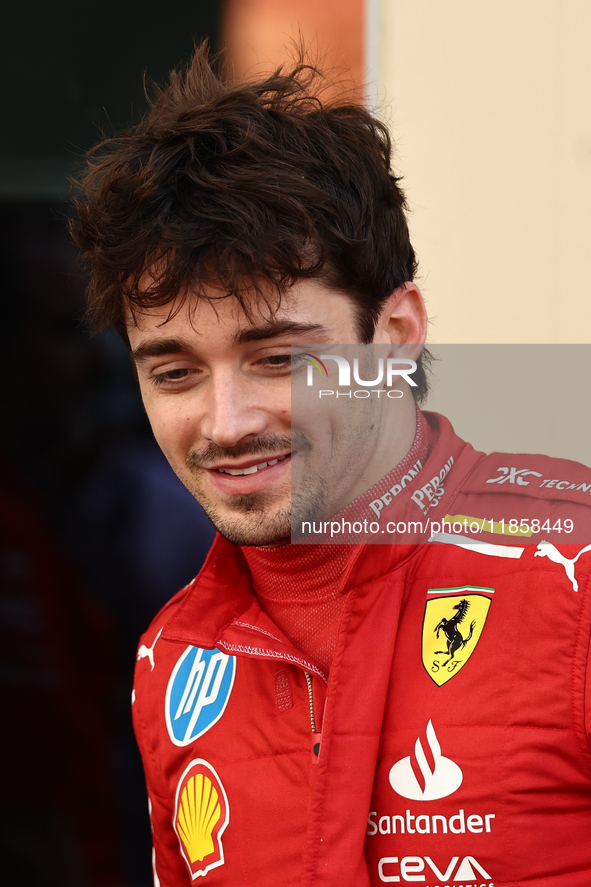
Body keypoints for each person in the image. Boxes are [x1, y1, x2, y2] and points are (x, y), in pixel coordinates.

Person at [71, 44, 591, 887]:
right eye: (173, 372)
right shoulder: (171, 660)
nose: (226, 422)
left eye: (277, 358)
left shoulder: (572, 575)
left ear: (394, 336)